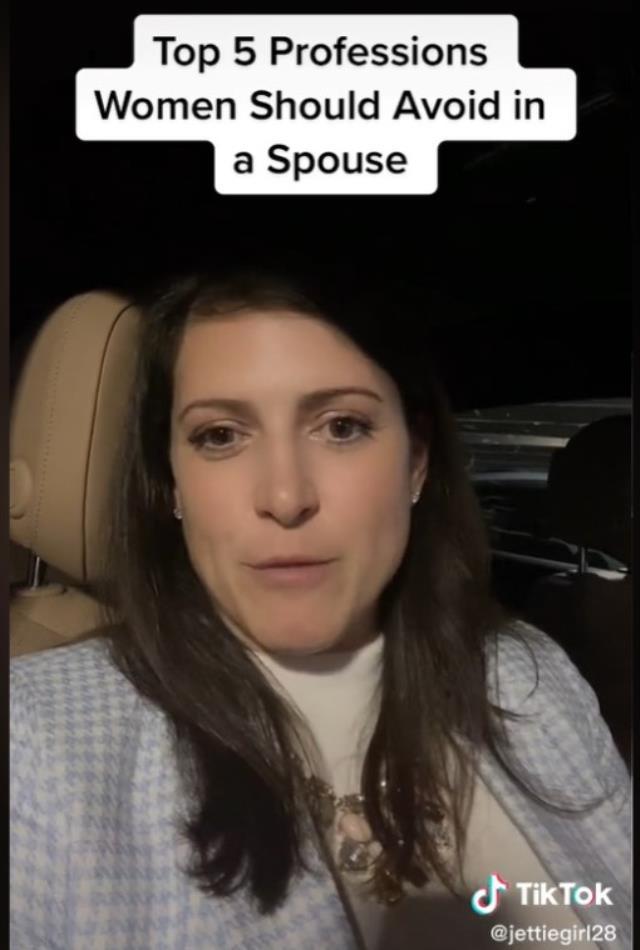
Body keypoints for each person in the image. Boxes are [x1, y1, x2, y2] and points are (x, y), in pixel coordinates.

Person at [10, 269, 631, 949]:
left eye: (342, 426)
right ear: (172, 485)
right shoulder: (35, 741)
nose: (285, 498)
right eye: (219, 435)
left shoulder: (528, 674)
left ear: (417, 461)